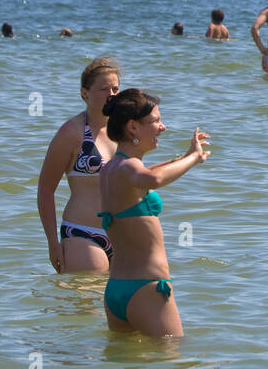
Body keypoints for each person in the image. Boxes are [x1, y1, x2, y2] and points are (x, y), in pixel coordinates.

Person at [98, 89, 210, 336]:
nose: (163, 127)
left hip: (116, 290)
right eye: (156, 121)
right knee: (173, 363)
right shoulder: (130, 170)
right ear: (133, 128)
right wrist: (194, 160)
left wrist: (186, 155)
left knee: (123, 367)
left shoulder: (111, 168)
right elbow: (153, 178)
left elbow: (146, 173)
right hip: (146, 290)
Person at [37, 58, 120, 273]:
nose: (111, 94)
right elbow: (46, 189)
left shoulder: (124, 131)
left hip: (122, 237)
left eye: (115, 88)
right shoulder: (71, 132)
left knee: (118, 306)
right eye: (104, 89)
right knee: (84, 305)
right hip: (83, 235)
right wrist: (52, 242)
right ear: (85, 93)